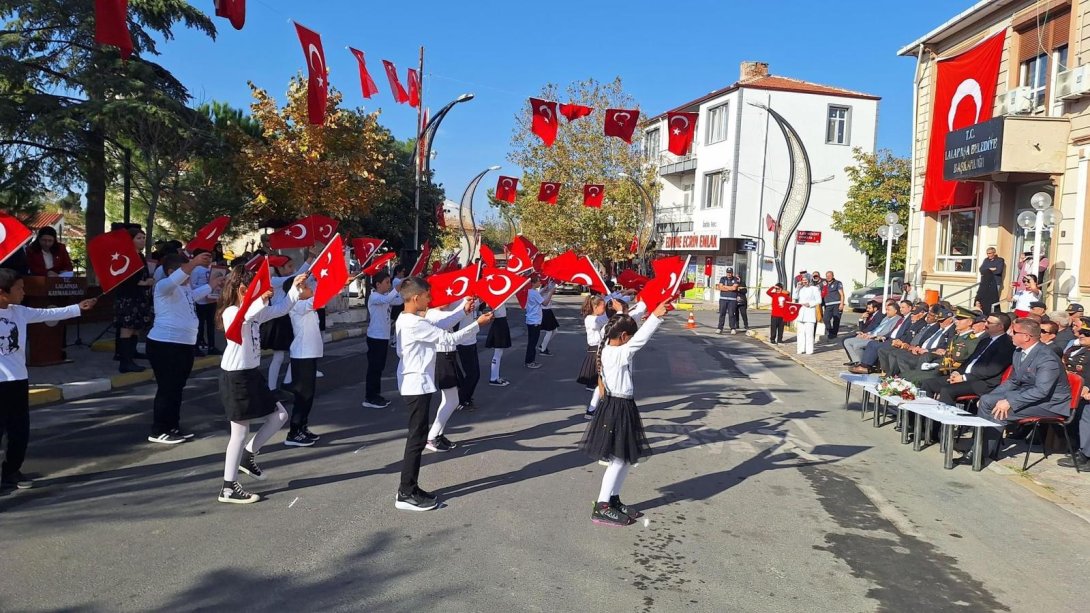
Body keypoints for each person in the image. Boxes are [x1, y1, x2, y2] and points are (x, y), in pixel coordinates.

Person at [394, 277, 492, 511]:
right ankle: (405, 492)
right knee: (416, 441)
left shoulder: (410, 318)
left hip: (417, 383)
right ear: (416, 298)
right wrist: (477, 323)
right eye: (428, 296)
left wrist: (462, 311)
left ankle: (411, 487)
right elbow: (448, 338)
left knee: (417, 439)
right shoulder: (413, 323)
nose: (430, 300)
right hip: (416, 385)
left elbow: (442, 324)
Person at [215, 266, 306, 504]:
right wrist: (261, 299)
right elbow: (244, 316)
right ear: (240, 290)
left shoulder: (255, 313)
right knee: (239, 432)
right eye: (251, 290)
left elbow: (282, 308)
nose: (257, 295)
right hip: (235, 377)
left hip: (251, 375)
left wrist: (295, 288)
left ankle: (248, 455)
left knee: (279, 416)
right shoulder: (232, 312)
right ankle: (228, 487)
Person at [0, 269, 96, 489]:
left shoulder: (19, 312)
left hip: (18, 380)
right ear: (2, 292)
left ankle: (12, 471)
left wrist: (77, 308)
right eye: (19, 288)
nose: (24, 292)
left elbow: (48, 314)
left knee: (19, 431)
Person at [580, 299, 671, 527]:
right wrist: (656, 317)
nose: (631, 339)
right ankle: (601, 506)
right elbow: (639, 340)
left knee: (625, 459)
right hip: (617, 407)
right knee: (618, 460)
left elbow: (633, 332)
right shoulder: (616, 353)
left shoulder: (611, 346)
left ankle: (613, 499)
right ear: (622, 337)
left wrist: (646, 311)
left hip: (623, 405)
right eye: (629, 336)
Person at [970, 318, 1071, 464]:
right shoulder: (1019, 352)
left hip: (1050, 403)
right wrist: (992, 396)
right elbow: (1013, 381)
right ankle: (980, 447)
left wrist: (1010, 401)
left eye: (1014, 332)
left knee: (1000, 412)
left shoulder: (1047, 358)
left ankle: (979, 455)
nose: (1010, 334)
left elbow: (1042, 391)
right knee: (986, 400)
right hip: (1028, 394)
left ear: (1026, 337)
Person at [146, 252, 221, 445]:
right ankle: (159, 429)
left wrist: (212, 285)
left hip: (184, 345)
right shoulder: (163, 286)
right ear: (173, 272)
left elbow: (195, 295)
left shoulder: (185, 289)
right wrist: (194, 262)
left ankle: (172, 426)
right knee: (167, 388)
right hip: (165, 345)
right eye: (188, 271)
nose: (191, 276)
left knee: (177, 388)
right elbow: (178, 278)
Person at [921, 312, 1015, 405]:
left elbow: (991, 370)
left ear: (1000, 327)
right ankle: (921, 418)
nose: (985, 324)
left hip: (984, 383)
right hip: (966, 376)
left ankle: (942, 419)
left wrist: (964, 377)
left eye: (989, 323)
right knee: (928, 383)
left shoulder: (1006, 344)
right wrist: (957, 372)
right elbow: (969, 360)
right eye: (986, 321)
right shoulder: (985, 341)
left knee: (947, 390)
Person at [423, 298, 476, 452]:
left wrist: (466, 303)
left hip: (448, 356)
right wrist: (471, 317)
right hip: (442, 357)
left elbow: (453, 315)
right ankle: (432, 437)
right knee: (453, 400)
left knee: (448, 400)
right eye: (445, 297)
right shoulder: (433, 314)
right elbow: (449, 321)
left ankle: (438, 433)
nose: (449, 300)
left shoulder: (442, 312)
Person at [285, 281, 323, 447]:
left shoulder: (306, 305)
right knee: (302, 395)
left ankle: (302, 427)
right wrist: (335, 285)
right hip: (302, 356)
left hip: (310, 354)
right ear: (296, 293)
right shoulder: (297, 306)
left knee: (309, 395)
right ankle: (293, 432)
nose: (310, 289)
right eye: (306, 287)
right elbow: (319, 299)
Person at [113, 227, 154, 373]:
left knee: (136, 328)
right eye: (138, 238)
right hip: (128, 297)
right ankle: (125, 361)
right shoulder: (126, 256)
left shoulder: (140, 256)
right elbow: (124, 279)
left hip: (139, 297)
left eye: (143, 238)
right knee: (127, 328)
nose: (142, 240)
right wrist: (143, 283)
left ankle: (132, 354)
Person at [362, 270, 402, 408]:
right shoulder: (374, 297)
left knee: (379, 368)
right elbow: (387, 299)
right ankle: (370, 397)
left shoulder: (385, 296)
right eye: (386, 283)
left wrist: (404, 289)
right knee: (374, 368)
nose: (389, 285)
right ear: (378, 284)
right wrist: (396, 288)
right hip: (375, 337)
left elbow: (398, 300)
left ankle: (376, 394)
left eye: (389, 282)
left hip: (383, 337)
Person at [843, 300, 899, 366]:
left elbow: (886, 332)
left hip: (877, 338)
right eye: (886, 309)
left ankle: (863, 364)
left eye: (888, 310)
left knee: (857, 345)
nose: (887, 312)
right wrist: (867, 334)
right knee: (847, 341)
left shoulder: (897, 319)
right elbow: (877, 329)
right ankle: (856, 361)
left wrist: (872, 335)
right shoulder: (886, 318)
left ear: (895, 311)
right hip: (870, 335)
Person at [189, 249, 220, 356]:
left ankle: (211, 346)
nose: (208, 260)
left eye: (209, 258)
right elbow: (192, 285)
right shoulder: (196, 270)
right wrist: (206, 289)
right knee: (200, 324)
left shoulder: (212, 269)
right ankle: (196, 346)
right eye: (205, 258)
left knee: (211, 324)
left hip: (211, 300)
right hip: (200, 301)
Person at [524, 274, 552, 369]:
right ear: (533, 283)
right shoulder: (534, 293)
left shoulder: (530, 292)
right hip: (534, 320)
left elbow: (538, 296)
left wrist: (544, 290)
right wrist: (550, 293)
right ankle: (530, 361)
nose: (540, 283)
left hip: (530, 319)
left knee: (531, 341)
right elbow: (544, 303)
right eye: (538, 281)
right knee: (533, 342)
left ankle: (530, 360)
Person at [485, 299, 512, 387]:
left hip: (501, 322)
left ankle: (495, 376)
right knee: (498, 351)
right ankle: (493, 378)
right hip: (499, 323)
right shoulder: (496, 298)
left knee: (499, 352)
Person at [794, 275, 822, 355]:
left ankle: (809, 350)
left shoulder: (814, 289)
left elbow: (819, 300)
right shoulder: (801, 289)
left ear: (809, 280)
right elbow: (795, 297)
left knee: (809, 333)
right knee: (800, 333)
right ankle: (800, 349)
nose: (804, 281)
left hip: (809, 313)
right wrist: (797, 288)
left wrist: (810, 304)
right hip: (801, 313)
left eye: (806, 280)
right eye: (803, 280)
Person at [976, 247, 1005, 314]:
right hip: (985, 282)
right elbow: (981, 270)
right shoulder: (986, 260)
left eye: (990, 253)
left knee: (993, 299)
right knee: (984, 298)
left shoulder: (1000, 260)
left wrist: (987, 270)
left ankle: (993, 313)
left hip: (995, 282)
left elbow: (998, 271)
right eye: (987, 253)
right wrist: (990, 269)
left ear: (994, 253)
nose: (988, 255)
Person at [820, 270, 845, 340]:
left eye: (830, 276)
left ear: (833, 276)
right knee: (825, 319)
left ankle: (833, 334)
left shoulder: (838, 283)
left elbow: (842, 294)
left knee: (836, 320)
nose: (828, 277)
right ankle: (830, 331)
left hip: (837, 304)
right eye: (827, 276)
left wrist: (841, 304)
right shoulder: (824, 284)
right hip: (828, 305)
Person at [537, 279, 560, 356]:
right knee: (549, 331)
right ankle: (543, 350)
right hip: (544, 311)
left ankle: (543, 345)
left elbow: (558, 282)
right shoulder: (543, 287)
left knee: (555, 330)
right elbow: (539, 294)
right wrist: (545, 289)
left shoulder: (552, 283)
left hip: (548, 310)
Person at [715, 268, 740, 334]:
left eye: (730, 272)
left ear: (732, 273)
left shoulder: (735, 279)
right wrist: (730, 288)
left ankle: (733, 328)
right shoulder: (723, 278)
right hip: (723, 299)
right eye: (728, 272)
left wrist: (725, 287)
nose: (729, 274)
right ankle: (720, 328)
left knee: (731, 314)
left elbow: (734, 288)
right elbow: (720, 287)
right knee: (722, 314)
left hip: (732, 299)